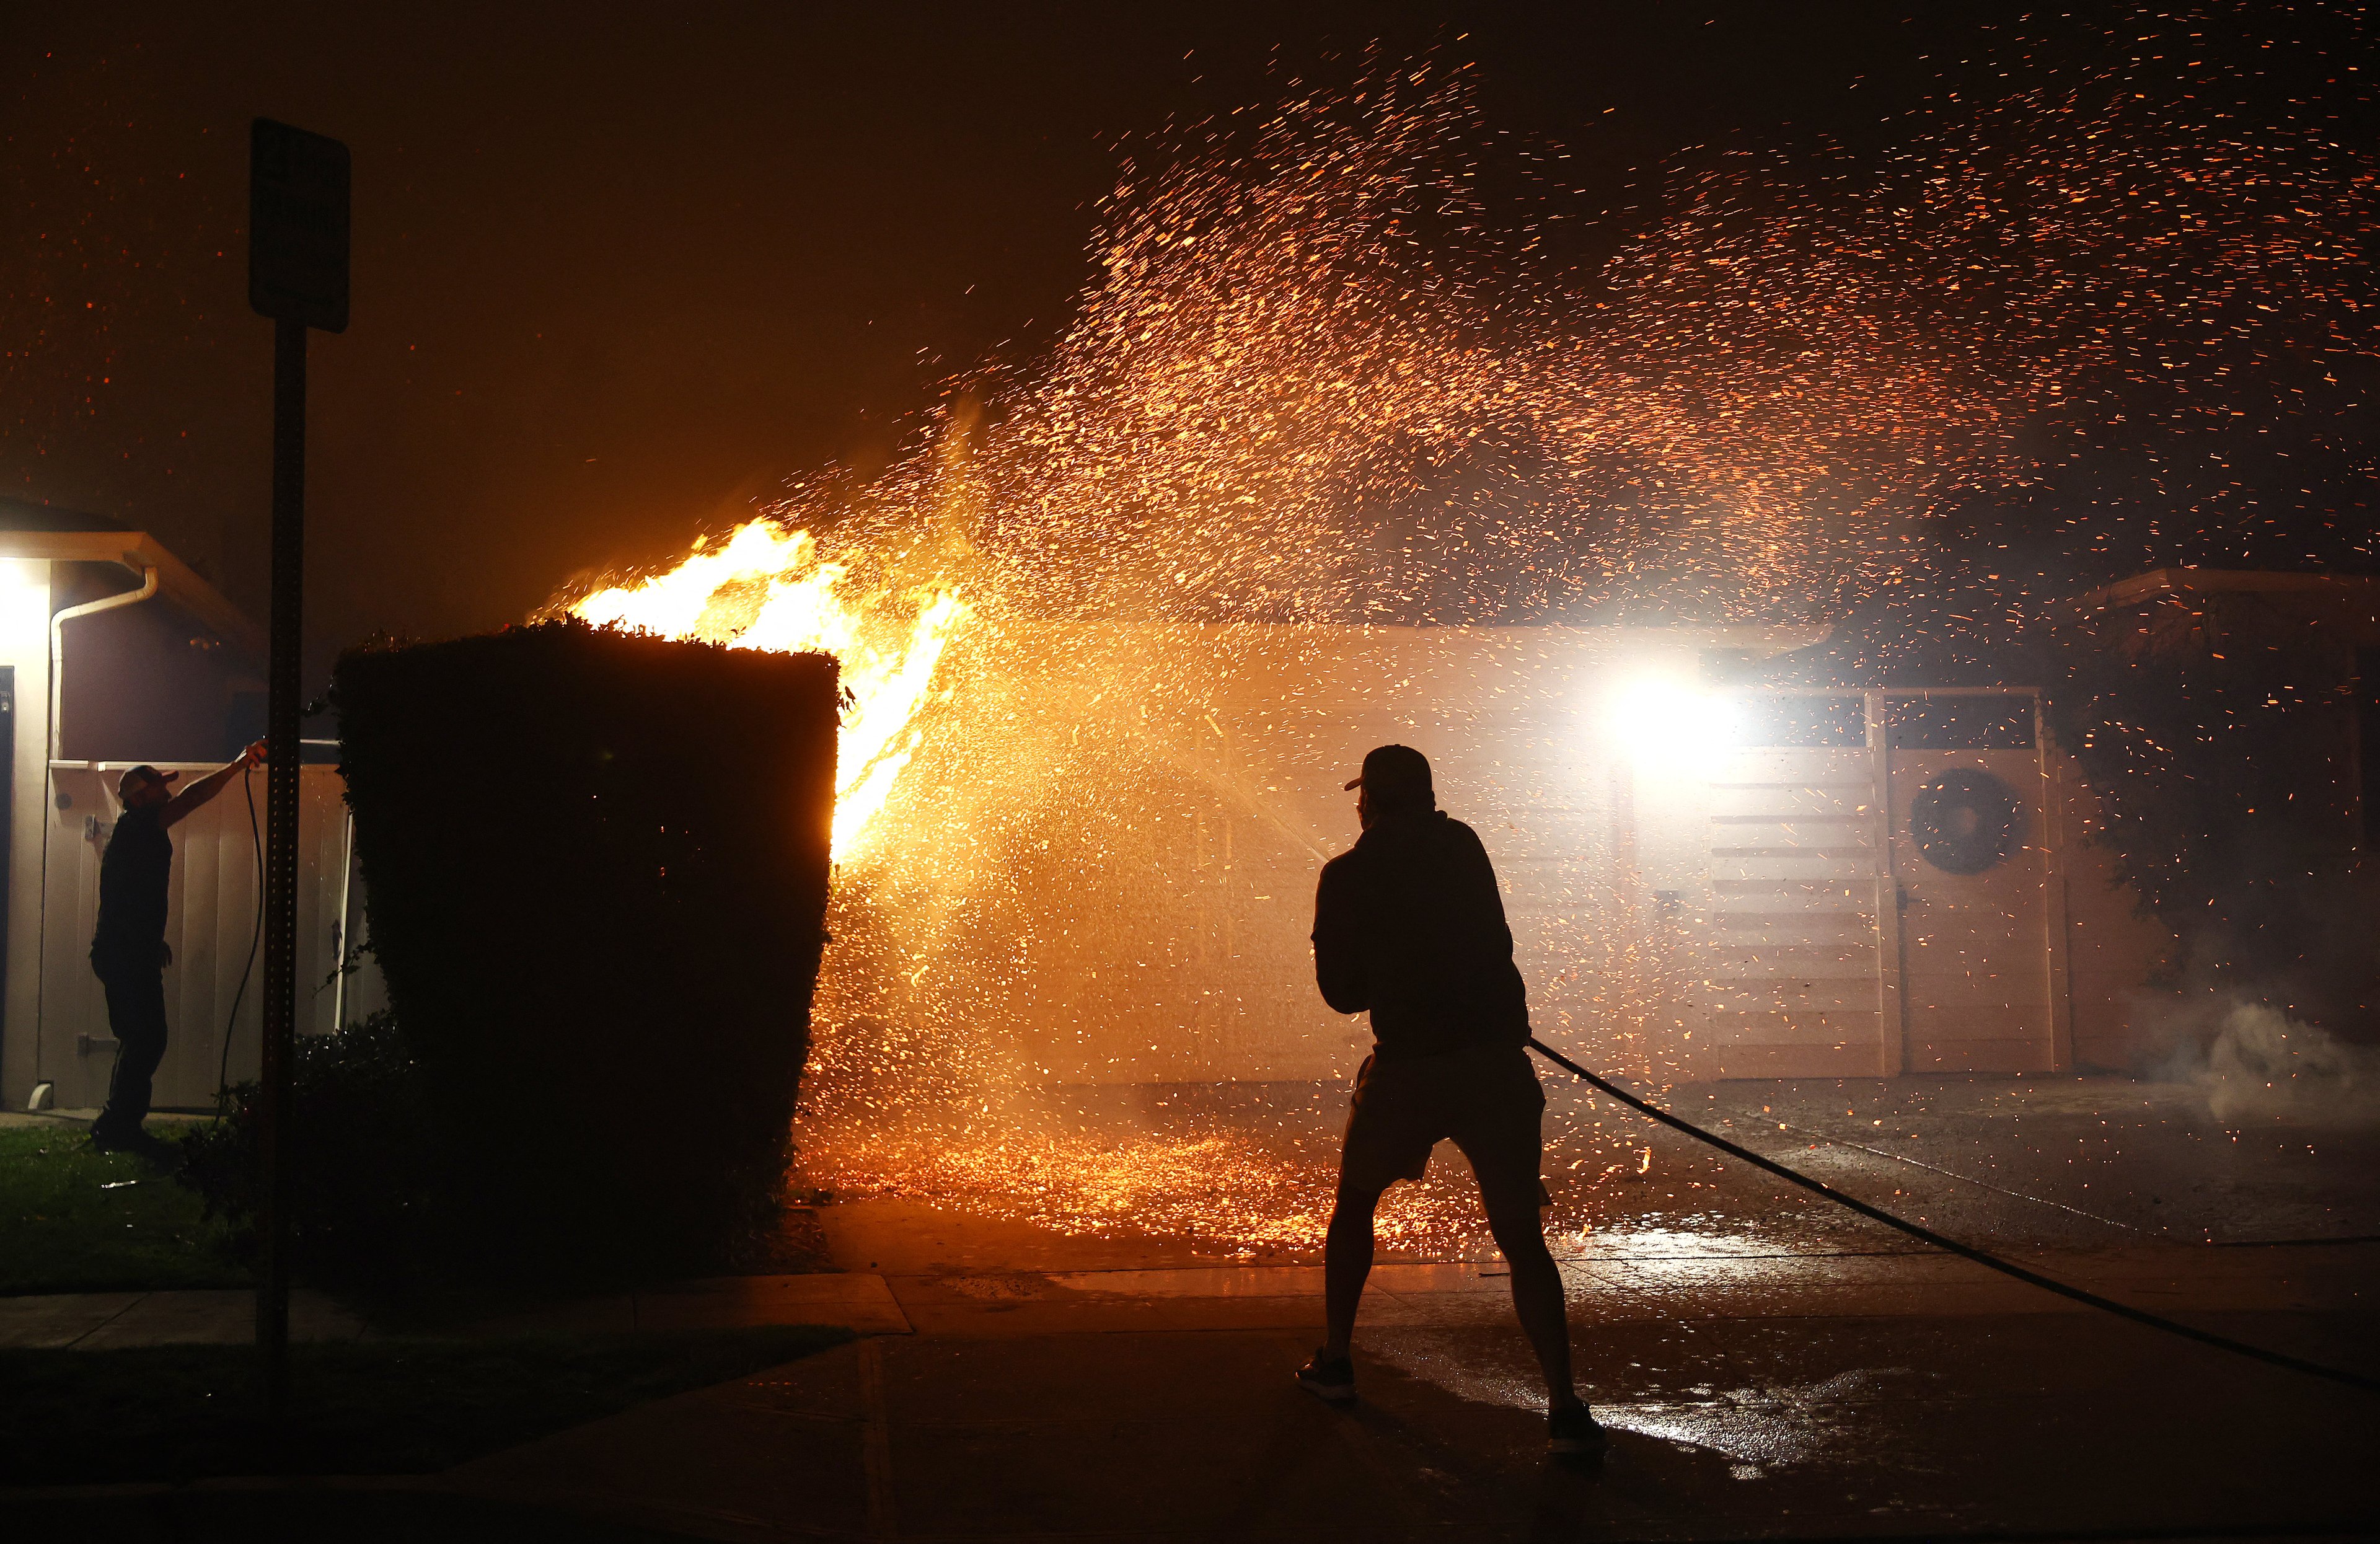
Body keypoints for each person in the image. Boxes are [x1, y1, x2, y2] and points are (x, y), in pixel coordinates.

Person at [1298, 743, 1604, 1457]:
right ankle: (1563, 1405)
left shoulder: (1346, 873)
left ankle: (1337, 1361)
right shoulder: (1464, 845)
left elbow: (1342, 995)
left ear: (1369, 800)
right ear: (1429, 796)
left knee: (1355, 1204)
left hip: (1409, 1068)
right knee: (1522, 1237)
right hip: (1495, 1065)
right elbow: (1494, 940)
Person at [87, 743, 266, 1163]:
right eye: (156, 786)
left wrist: (154, 939)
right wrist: (236, 766)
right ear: (139, 798)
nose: (166, 791)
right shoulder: (139, 825)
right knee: (147, 1038)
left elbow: (131, 896)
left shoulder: (137, 831)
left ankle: (119, 1123)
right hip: (124, 955)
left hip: (127, 951)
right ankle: (119, 1125)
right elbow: (193, 798)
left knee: (142, 1038)